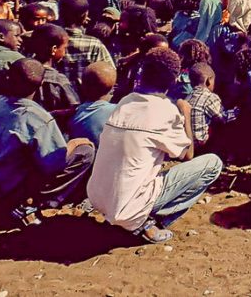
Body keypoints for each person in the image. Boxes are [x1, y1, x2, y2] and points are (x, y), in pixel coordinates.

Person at [87, 47, 223, 244]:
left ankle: (133, 218)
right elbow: (187, 155)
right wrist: (185, 114)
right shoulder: (165, 110)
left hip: (98, 197)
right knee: (213, 163)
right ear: (174, 80)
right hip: (128, 205)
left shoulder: (125, 102)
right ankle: (146, 223)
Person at [0, 57, 95, 226]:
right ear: (41, 85)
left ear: (8, 78)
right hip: (14, 190)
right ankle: (33, 203)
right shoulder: (39, 118)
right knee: (86, 151)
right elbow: (55, 163)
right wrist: (74, 144)